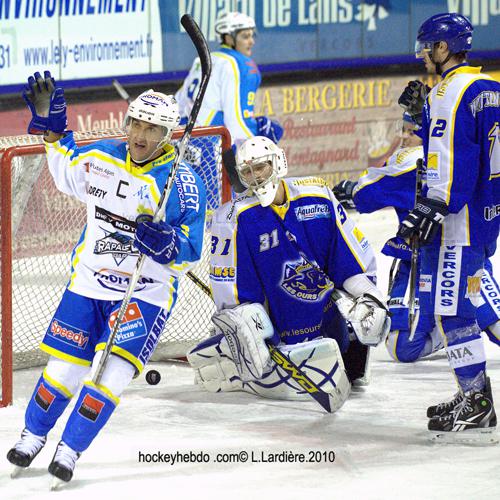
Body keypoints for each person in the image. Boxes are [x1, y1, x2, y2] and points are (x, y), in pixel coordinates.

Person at [7, 71, 206, 483]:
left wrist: (169, 244)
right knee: (62, 371)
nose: (140, 134)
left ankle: (70, 449)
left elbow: (190, 252)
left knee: (109, 372)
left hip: (144, 293)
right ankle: (32, 435)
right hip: (89, 283)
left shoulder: (183, 185)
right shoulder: (102, 158)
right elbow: (65, 170)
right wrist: (53, 128)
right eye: (136, 123)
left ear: (168, 135)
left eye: (152, 128)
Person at [186, 136, 390, 412]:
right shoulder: (233, 218)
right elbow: (233, 293)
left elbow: (350, 261)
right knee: (247, 339)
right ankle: (232, 358)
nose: (255, 178)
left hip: (327, 326)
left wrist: (370, 297)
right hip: (278, 338)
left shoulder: (319, 197)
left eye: (260, 167)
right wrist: (247, 331)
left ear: (278, 163)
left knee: (352, 347)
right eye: (247, 172)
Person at [397, 13, 500, 442]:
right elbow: (468, 140)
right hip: (486, 213)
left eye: (427, 49)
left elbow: (451, 155)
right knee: (460, 302)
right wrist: (419, 116)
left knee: (452, 308)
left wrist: (433, 204)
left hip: (460, 221)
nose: (424, 57)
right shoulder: (490, 87)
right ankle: (472, 395)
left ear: (444, 48)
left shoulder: (448, 92)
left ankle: (477, 402)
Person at [333, 113, 500, 364]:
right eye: (403, 130)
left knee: (495, 323)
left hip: (465, 258)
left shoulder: (412, 161)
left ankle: (467, 315)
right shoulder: (463, 153)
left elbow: (366, 192)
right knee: (403, 347)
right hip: (419, 264)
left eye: (411, 132)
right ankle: (447, 330)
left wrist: (352, 189)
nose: (403, 137)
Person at [175, 11, 283, 146]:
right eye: (245, 36)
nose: (252, 41)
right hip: (210, 144)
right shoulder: (242, 65)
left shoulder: (203, 59)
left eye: (251, 35)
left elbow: (178, 103)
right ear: (229, 38)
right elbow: (237, 121)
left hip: (183, 139)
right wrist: (258, 144)